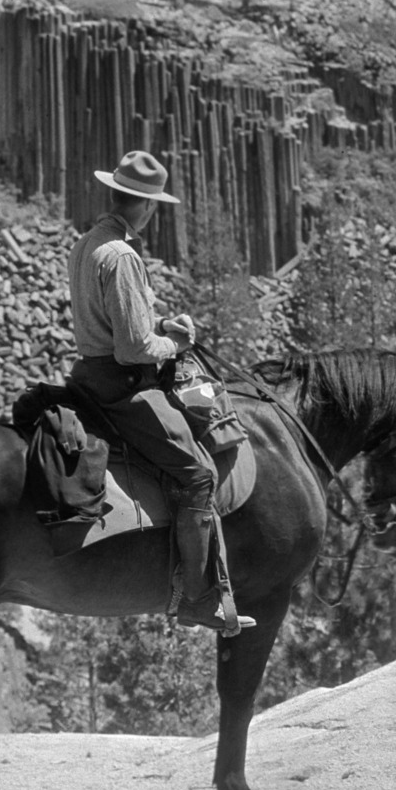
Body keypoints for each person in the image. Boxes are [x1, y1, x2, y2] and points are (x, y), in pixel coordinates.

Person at [67, 150, 254, 636]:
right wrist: (177, 341)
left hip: (89, 374)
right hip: (124, 386)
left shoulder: (89, 243)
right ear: (147, 207)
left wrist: (158, 324)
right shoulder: (124, 256)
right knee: (197, 474)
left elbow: (118, 324)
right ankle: (196, 597)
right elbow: (133, 350)